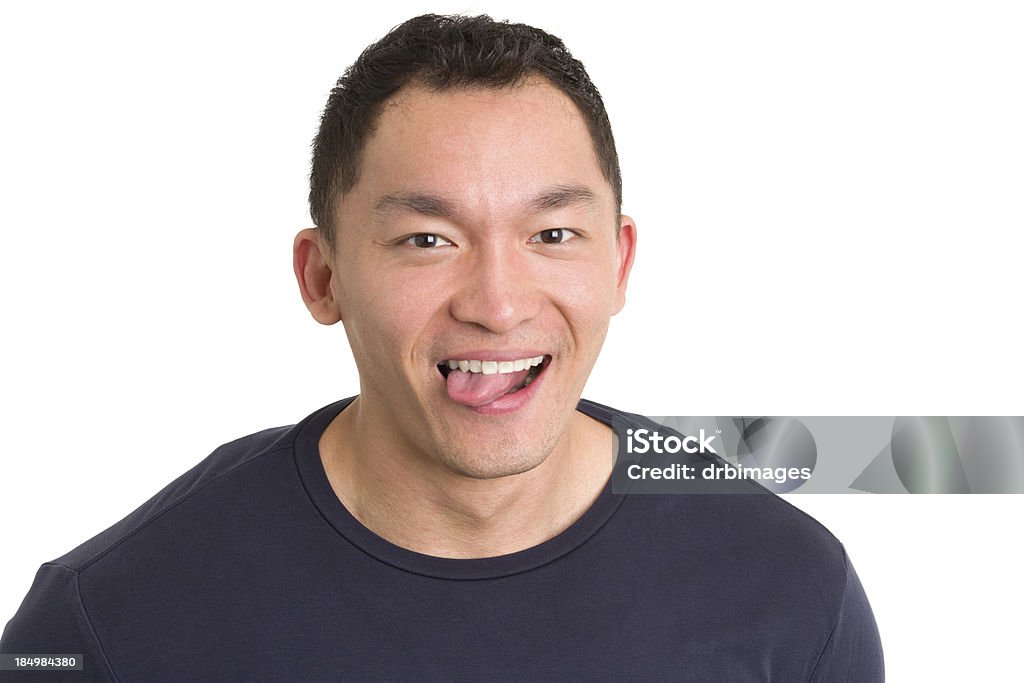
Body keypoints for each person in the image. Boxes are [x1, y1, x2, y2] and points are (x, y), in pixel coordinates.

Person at [1, 14, 883, 681]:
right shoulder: (107, 623)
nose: (498, 305)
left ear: (619, 263)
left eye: (553, 234)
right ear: (323, 278)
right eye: (429, 240)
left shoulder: (787, 589)